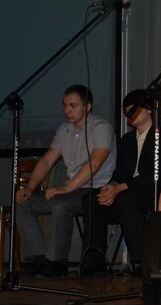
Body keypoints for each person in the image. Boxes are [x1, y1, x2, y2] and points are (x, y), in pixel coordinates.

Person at [15, 84, 117, 278]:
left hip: (93, 189)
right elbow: (47, 160)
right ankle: (40, 257)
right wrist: (30, 187)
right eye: (64, 105)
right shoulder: (64, 130)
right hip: (71, 188)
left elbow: (94, 164)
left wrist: (66, 188)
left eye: (73, 105)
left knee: (60, 204)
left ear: (87, 106)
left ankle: (57, 263)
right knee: (23, 203)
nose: (67, 110)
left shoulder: (101, 128)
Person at [79, 89, 161, 275]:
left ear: (149, 109)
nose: (128, 111)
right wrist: (112, 187)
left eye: (134, 107)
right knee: (91, 200)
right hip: (126, 190)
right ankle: (94, 262)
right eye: (126, 108)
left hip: (154, 190)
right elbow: (120, 171)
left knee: (127, 200)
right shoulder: (127, 140)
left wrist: (121, 188)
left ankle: (141, 261)